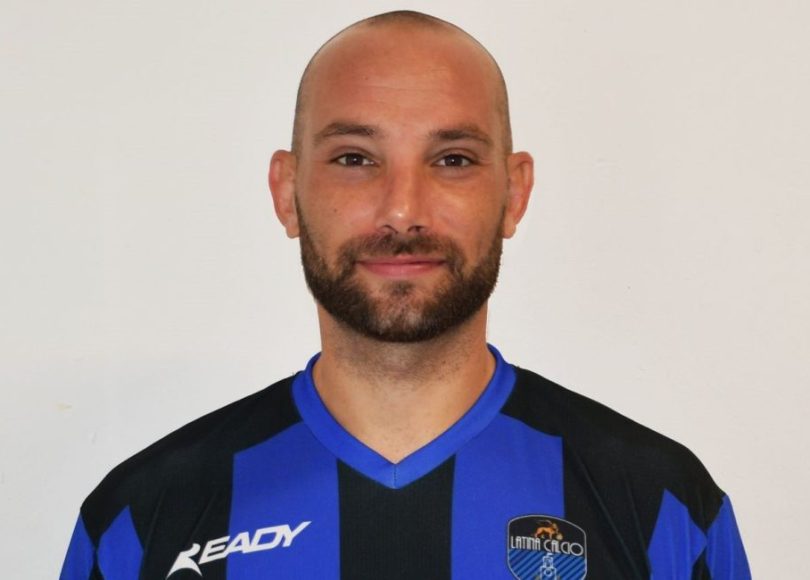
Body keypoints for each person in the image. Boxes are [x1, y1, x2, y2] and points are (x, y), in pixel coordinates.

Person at [60, 10, 751, 580]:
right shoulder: (141, 520)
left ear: (514, 193)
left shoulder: (661, 508)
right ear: (288, 192)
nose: (402, 211)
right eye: (355, 159)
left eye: (452, 159)